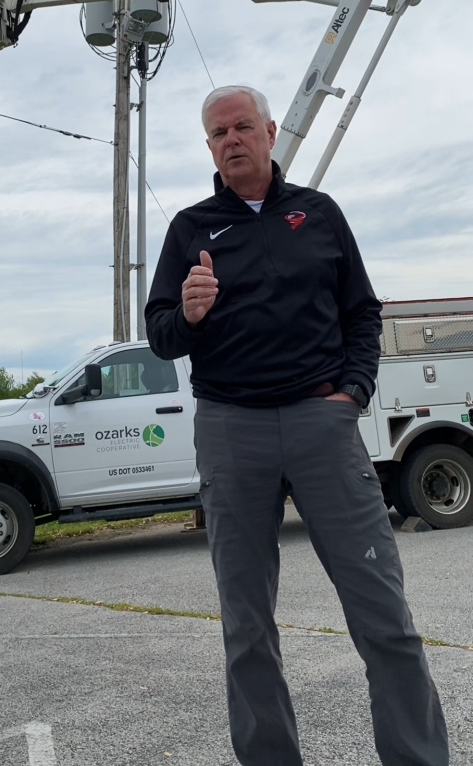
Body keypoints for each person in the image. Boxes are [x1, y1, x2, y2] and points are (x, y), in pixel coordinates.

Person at [145, 85, 448, 766]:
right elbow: (161, 334)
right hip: (231, 429)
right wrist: (187, 314)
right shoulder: (191, 229)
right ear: (209, 147)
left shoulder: (319, 213)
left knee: (384, 614)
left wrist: (353, 393)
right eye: (218, 132)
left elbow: (362, 311)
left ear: (269, 130)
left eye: (241, 126)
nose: (231, 139)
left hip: (321, 422)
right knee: (246, 626)